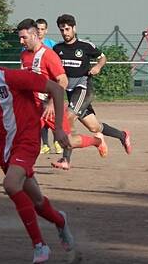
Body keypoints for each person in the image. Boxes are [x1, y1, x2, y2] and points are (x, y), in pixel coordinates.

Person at [0, 38, 74, 264]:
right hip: (2, 149)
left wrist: (58, 128)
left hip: (26, 140)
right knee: (37, 201)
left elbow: (56, 89)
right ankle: (60, 221)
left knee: (11, 185)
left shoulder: (11, 77)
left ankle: (40, 246)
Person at [18, 19, 108, 167]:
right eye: (20, 38)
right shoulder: (24, 56)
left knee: (67, 141)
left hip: (50, 108)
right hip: (33, 107)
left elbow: (63, 81)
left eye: (24, 37)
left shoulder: (49, 55)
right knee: (22, 136)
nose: (21, 41)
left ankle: (96, 141)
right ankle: (18, 167)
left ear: (34, 35)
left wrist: (52, 103)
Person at [52, 14, 131, 171]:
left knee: (68, 117)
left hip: (83, 88)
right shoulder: (57, 49)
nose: (65, 32)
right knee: (95, 127)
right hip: (70, 91)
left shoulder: (85, 46)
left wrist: (98, 66)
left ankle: (65, 159)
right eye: (62, 30)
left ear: (74, 28)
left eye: (67, 29)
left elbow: (102, 57)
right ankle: (123, 135)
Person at [35, 18, 60, 154]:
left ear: (46, 30)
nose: (40, 31)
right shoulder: (29, 46)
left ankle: (57, 142)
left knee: (53, 115)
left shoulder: (52, 45)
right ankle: (45, 144)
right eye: (38, 29)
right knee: (41, 115)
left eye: (42, 29)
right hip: (38, 86)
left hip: (51, 85)